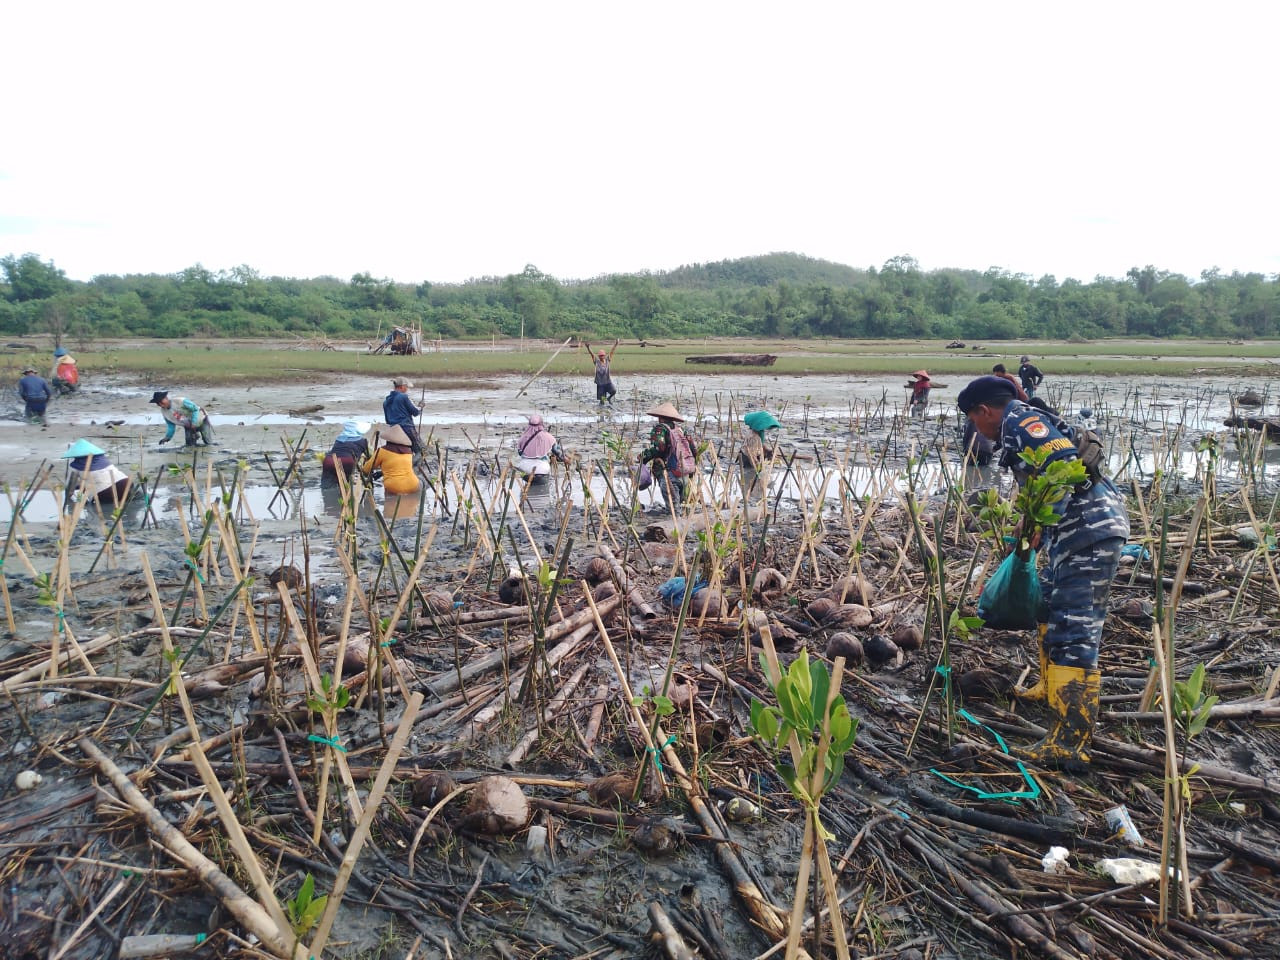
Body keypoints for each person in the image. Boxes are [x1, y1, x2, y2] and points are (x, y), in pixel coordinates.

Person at [957, 375, 1129, 769]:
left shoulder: (1019, 423)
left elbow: (1062, 469)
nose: (976, 430)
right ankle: (1049, 688)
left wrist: (1035, 521)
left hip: (1089, 531)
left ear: (984, 411)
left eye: (974, 420)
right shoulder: (1022, 422)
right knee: (1047, 604)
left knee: (1074, 629)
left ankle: (1071, 743)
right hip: (1077, 532)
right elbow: (1048, 477)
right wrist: (1028, 523)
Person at [639, 401, 694, 507]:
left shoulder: (660, 429)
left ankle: (674, 520)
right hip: (684, 472)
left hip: (669, 472)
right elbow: (693, 449)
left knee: (673, 508)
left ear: (660, 417)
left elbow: (659, 448)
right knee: (679, 505)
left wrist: (643, 458)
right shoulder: (681, 430)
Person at [61, 439, 132, 506]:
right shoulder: (104, 459)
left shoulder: (75, 466)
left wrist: (74, 502)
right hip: (127, 483)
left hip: (106, 492)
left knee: (100, 510)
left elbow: (70, 489)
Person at [361, 424, 420, 496]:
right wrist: (381, 473)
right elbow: (398, 468)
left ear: (388, 440)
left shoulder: (382, 451)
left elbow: (366, 469)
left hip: (393, 487)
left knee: (391, 505)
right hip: (413, 485)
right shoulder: (408, 452)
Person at [739, 409, 781, 499]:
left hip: (749, 454)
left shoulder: (757, 433)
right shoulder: (753, 437)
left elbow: (760, 444)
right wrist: (758, 469)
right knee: (750, 475)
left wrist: (767, 450)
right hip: (746, 458)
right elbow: (752, 456)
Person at [150, 391, 214, 446]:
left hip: (201, 419)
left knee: (208, 442)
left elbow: (195, 409)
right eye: (158, 403)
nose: (161, 405)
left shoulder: (180, 401)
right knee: (189, 445)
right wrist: (167, 438)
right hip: (188, 426)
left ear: (166, 398)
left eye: (161, 402)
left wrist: (194, 423)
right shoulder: (164, 412)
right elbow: (171, 426)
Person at [513, 414, 567, 479]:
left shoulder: (523, 437)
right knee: (545, 467)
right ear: (542, 424)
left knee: (518, 466)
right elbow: (558, 453)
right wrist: (566, 460)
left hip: (525, 468)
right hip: (543, 469)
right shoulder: (549, 437)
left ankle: (524, 477)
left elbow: (520, 453)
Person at [322, 420, 370, 487]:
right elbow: (370, 456)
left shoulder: (339, 438)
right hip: (346, 461)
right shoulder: (363, 441)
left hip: (329, 461)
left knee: (326, 487)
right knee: (344, 487)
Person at [383, 377, 424, 454]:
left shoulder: (386, 401)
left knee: (396, 453)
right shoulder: (403, 397)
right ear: (402, 387)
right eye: (407, 387)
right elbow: (415, 412)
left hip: (393, 430)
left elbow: (387, 420)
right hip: (406, 428)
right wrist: (420, 407)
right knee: (420, 451)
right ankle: (412, 465)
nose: (407, 389)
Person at [584, 339, 619, 404]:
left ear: (605, 355)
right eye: (600, 356)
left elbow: (612, 351)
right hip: (600, 384)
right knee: (602, 400)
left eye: (602, 355)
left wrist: (616, 344)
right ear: (598, 356)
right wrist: (588, 347)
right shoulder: (597, 362)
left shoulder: (608, 360)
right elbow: (592, 354)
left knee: (614, 391)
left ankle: (609, 398)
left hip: (608, 382)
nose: (601, 357)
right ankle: (601, 410)